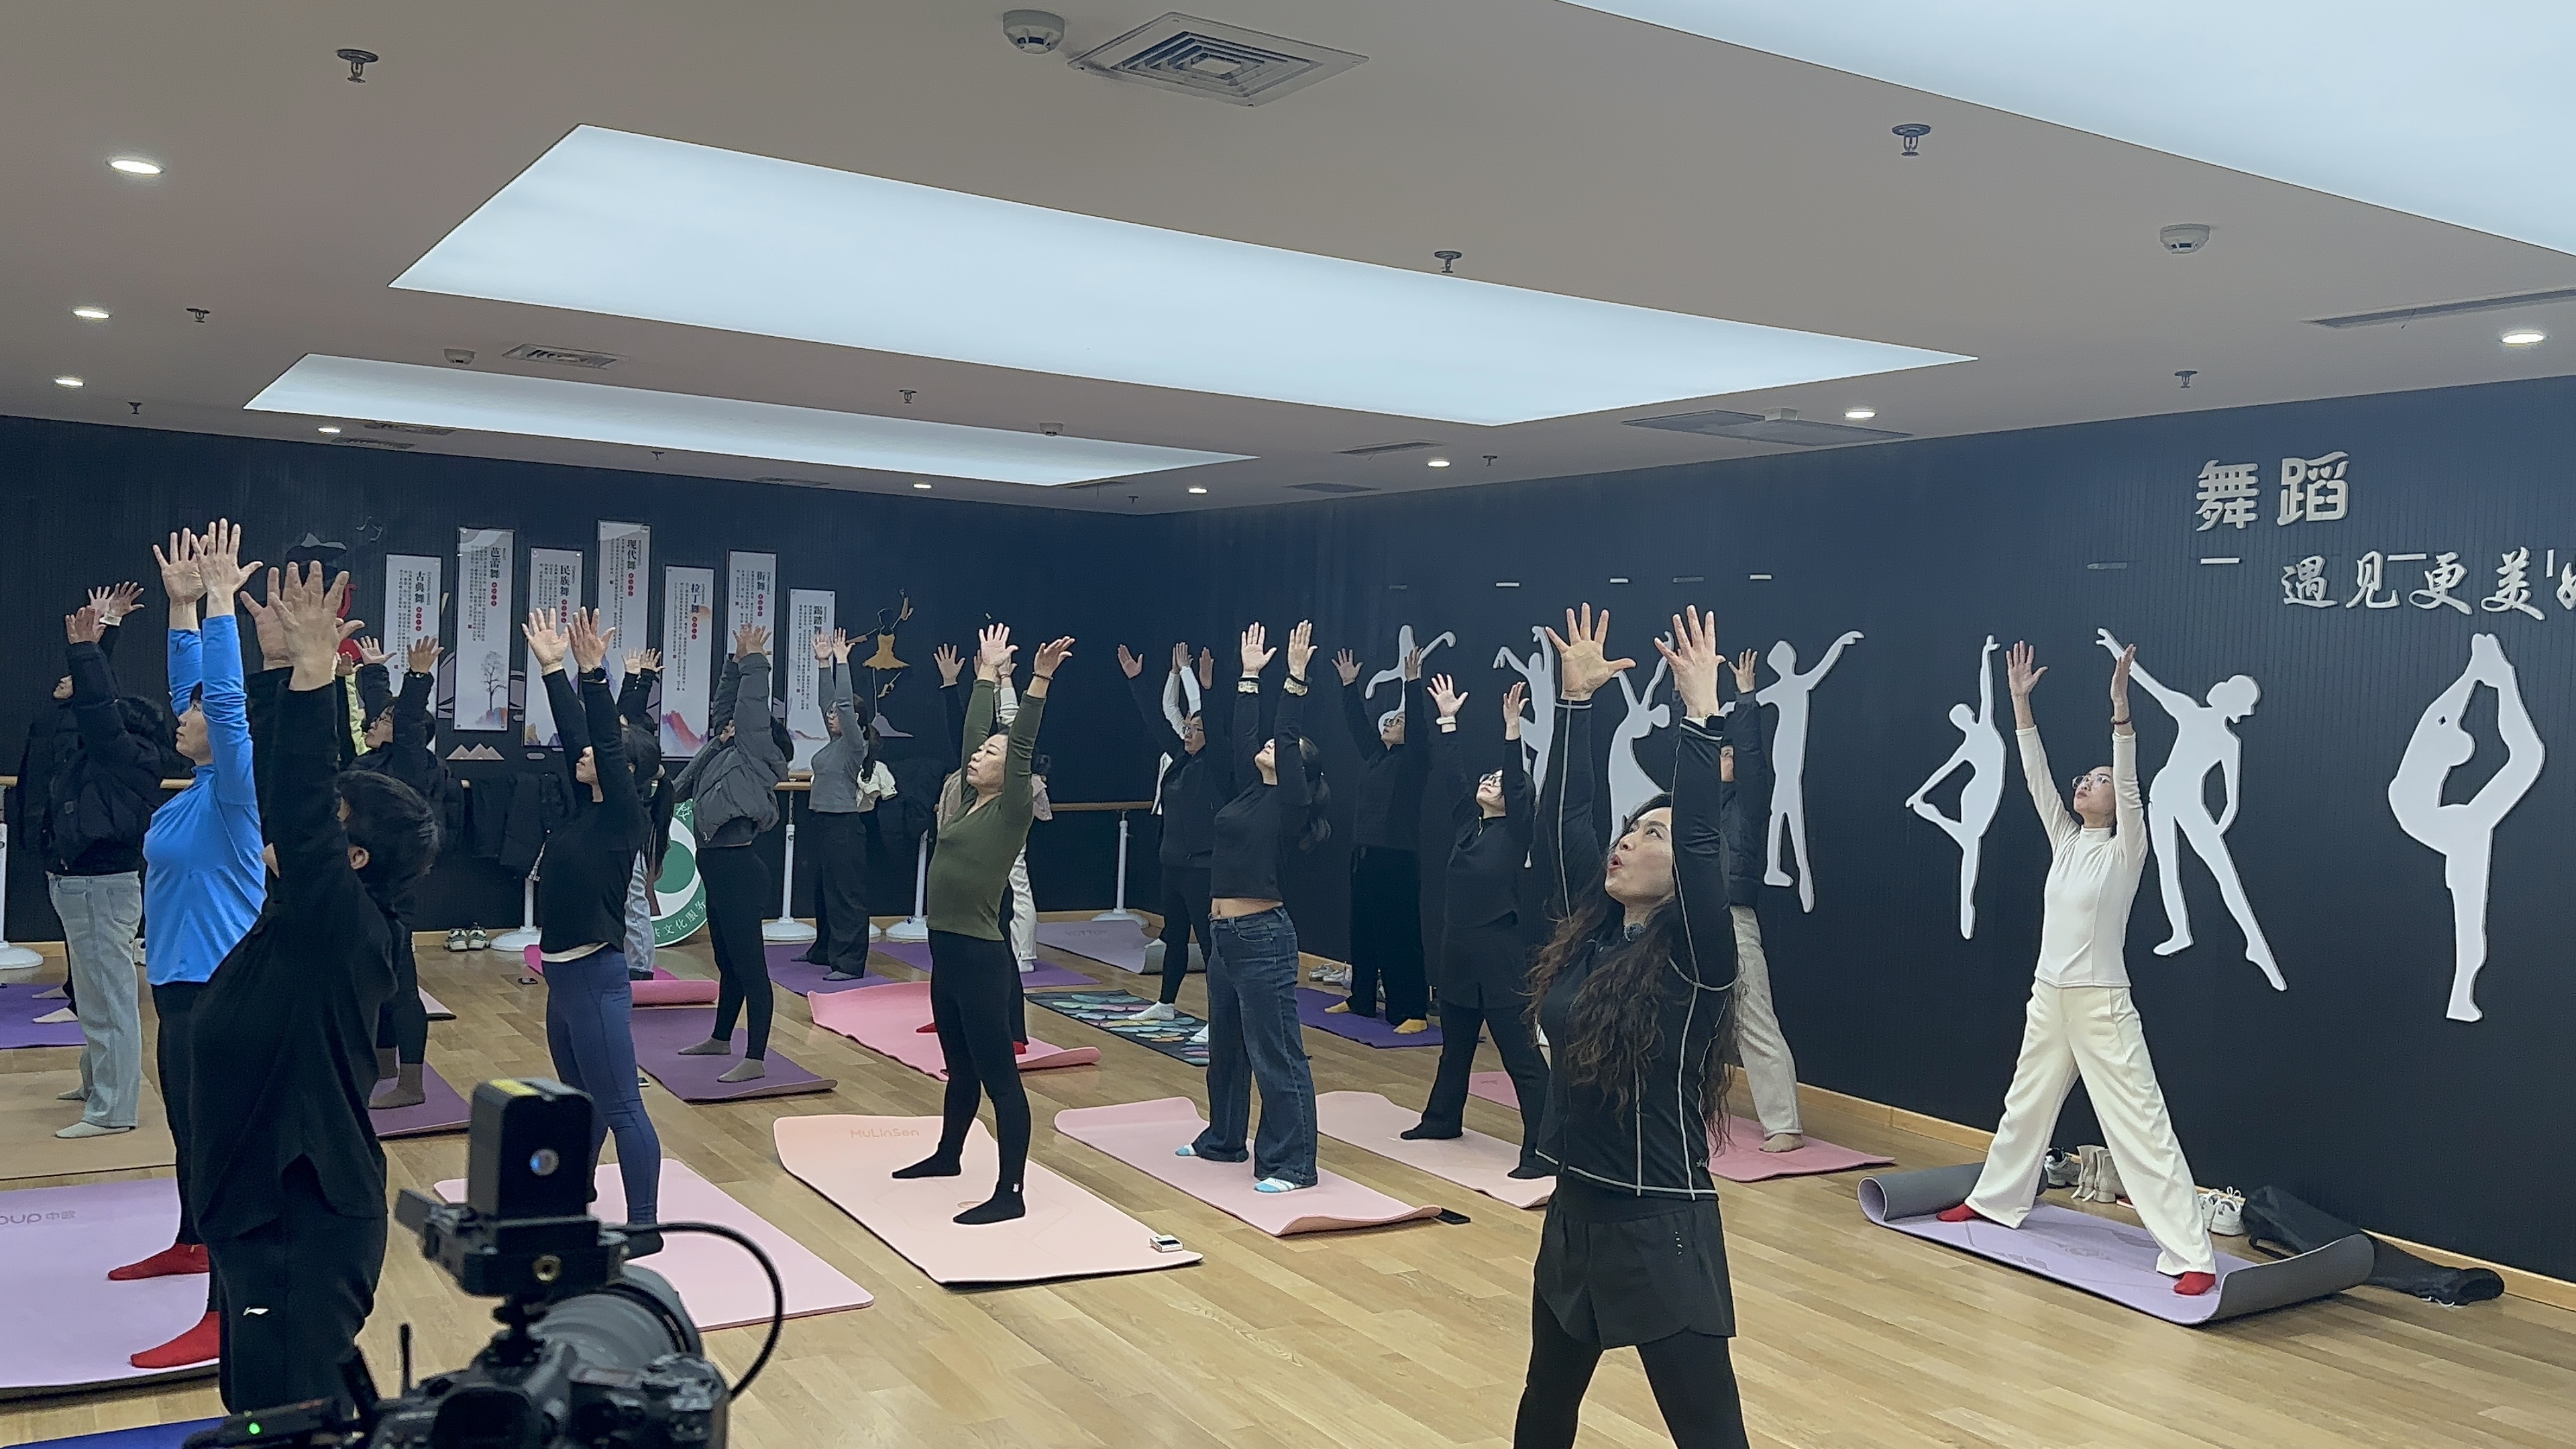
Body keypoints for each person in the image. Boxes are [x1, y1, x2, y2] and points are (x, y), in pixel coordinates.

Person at [192, 561, 439, 1411]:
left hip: (303, 1223)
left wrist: (312, 675)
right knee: (256, 1410)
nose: (306, 833)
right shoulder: (307, 918)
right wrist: (274, 673)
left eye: (334, 828)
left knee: (287, 1422)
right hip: (266, 1207)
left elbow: (300, 805)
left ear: (355, 859)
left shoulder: (346, 930)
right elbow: (285, 798)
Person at [1512, 604, 1748, 1449]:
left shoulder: (1697, 958)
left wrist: (1701, 717)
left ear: (1683, 874)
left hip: (1659, 1227)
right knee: (1545, 1405)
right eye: (1630, 828)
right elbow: (1562, 826)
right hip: (1575, 1213)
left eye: (1651, 835)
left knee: (1709, 1433)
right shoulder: (1593, 939)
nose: (1626, 841)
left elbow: (1702, 841)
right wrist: (1573, 705)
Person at [1935, 641, 2220, 1297]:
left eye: (2098, 780)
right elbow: (2036, 775)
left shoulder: (2126, 851)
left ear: (2118, 802)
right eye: (2083, 780)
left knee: (2140, 1122)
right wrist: (2019, 704)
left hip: (2101, 1004)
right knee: (2024, 1106)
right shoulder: (2065, 842)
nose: (2084, 785)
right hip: (2049, 998)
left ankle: (2190, 1252)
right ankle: (1995, 1199)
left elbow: (2130, 786)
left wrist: (2121, 712)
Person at [113, 524, 267, 1373]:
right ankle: (190, 1241)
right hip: (177, 987)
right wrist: (177, 611)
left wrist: (217, 605)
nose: (185, 716)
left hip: (223, 990)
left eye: (196, 712)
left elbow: (227, 704)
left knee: (225, 1150)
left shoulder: (237, 793)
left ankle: (224, 1310)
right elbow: (197, 696)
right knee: (188, 1130)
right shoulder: (197, 791)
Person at [892, 623, 1071, 1225]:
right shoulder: (968, 802)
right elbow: (975, 733)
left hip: (980, 960)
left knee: (999, 1078)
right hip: (946, 956)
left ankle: (1010, 1192)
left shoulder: (1013, 809)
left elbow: (1018, 748)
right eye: (980, 753)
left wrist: (1037, 681)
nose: (978, 757)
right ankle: (948, 1156)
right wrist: (986, 674)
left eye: (990, 755)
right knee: (959, 1067)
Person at [525, 607, 664, 1228]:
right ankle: (574, 1196)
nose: (582, 753)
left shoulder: (622, 820)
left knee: (623, 1107)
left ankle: (644, 1226)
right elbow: (580, 734)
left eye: (599, 755)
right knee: (583, 1103)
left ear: (624, 774)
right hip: (562, 982)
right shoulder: (587, 807)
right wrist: (553, 671)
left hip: (594, 979)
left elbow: (604, 741)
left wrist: (595, 675)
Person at [1179, 621, 1329, 1193]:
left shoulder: (1290, 805)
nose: (1268, 748)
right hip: (1225, 937)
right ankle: (1223, 1138)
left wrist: (1294, 680)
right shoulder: (1250, 791)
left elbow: (1283, 737)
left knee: (1275, 1052)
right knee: (1227, 1046)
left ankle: (1292, 1163)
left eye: (1282, 752)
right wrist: (1247, 678)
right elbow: (1245, 736)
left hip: (1263, 935)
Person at [1405, 674, 1550, 1178]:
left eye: (1499, 782)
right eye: (1487, 779)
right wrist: (1447, 720)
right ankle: (1442, 1119)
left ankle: (1543, 1149)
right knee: (1456, 1046)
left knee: (1520, 1057)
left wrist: (1512, 730)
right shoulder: (1470, 826)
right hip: (1458, 948)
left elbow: (1518, 785)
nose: (1490, 783)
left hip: (1497, 952)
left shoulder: (1517, 832)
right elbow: (1452, 775)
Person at [45, 588, 172, 1140]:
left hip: (99, 885)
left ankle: (114, 1109)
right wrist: (105, 638)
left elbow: (99, 710)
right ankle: (96, 1081)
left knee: (110, 1000)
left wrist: (87, 651)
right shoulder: (107, 757)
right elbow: (95, 708)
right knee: (93, 996)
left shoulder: (127, 758)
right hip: (80, 883)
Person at [671, 624, 788, 1080]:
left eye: (742, 727)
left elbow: (751, 711)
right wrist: (734, 664)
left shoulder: (758, 756)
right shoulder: (725, 752)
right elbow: (726, 710)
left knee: (751, 968)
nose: (733, 727)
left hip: (739, 870)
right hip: (718, 870)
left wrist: (756, 663)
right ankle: (721, 1038)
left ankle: (755, 1057)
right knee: (727, 963)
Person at [350, 633, 449, 1107]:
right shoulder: (376, 757)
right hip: (368, 881)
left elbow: (406, 722)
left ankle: (412, 1084)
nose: (375, 722)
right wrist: (372, 671)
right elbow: (382, 713)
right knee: (381, 976)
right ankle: (384, 1063)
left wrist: (417, 677)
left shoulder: (411, 763)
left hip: (392, 887)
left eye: (385, 721)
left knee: (402, 984)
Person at [1717, 648, 1806, 1154]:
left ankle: (1784, 1124)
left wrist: (1745, 699)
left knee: (1753, 1015)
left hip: (1732, 915)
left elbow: (1751, 760)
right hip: (1685, 915)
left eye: (1729, 755)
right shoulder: (1695, 809)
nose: (1725, 760)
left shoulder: (1748, 804)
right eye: (1719, 754)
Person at [1120, 641, 1227, 1020]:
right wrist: (1136, 682)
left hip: (1202, 866)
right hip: (1174, 864)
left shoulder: (1217, 765)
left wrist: (1205, 687)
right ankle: (1165, 1003)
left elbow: (1215, 721)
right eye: (1187, 728)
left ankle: (1220, 1018)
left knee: (1210, 944)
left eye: (1197, 729)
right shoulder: (1180, 759)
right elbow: (1156, 720)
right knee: (1174, 937)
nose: (1189, 733)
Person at [1330, 645, 1434, 1030]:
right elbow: (1358, 726)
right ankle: (1361, 999)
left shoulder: (1414, 760)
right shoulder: (1377, 757)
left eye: (1398, 721)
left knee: (1398, 935)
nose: (1391, 723)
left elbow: (1419, 728)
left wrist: (1412, 684)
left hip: (1397, 858)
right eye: (1389, 720)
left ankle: (1411, 1010)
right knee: (1363, 931)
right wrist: (1348, 687)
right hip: (1365, 854)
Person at [804, 629, 890, 981]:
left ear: (854, 720)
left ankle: (849, 963)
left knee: (846, 896)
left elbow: (841, 703)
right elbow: (829, 702)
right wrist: (822, 663)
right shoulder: (834, 743)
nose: (831, 717)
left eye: (838, 715)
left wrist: (842, 662)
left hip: (844, 825)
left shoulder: (855, 745)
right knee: (824, 890)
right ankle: (824, 949)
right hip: (824, 822)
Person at [617, 648, 676, 978]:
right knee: (625, 902)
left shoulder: (639, 763)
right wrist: (635, 676)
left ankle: (640, 967)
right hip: (622, 837)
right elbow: (624, 713)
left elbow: (629, 714)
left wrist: (643, 680)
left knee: (633, 903)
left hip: (633, 838)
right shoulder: (632, 754)